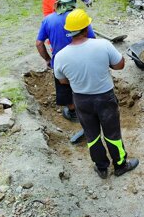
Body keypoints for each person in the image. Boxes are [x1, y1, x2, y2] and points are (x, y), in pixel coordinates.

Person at [54, 9, 139, 179]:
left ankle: (101, 168)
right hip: (105, 97)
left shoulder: (61, 56)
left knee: (92, 135)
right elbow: (119, 65)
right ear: (87, 28)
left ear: (70, 32)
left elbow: (62, 81)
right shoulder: (103, 45)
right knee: (112, 134)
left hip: (81, 100)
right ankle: (120, 165)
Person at [35, 0, 96, 122]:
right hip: (82, 61)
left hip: (61, 63)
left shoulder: (48, 20)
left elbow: (39, 43)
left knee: (65, 87)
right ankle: (90, 107)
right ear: (73, 2)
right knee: (85, 84)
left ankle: (73, 112)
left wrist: (47, 59)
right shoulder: (80, 18)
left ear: (58, 1)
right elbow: (92, 40)